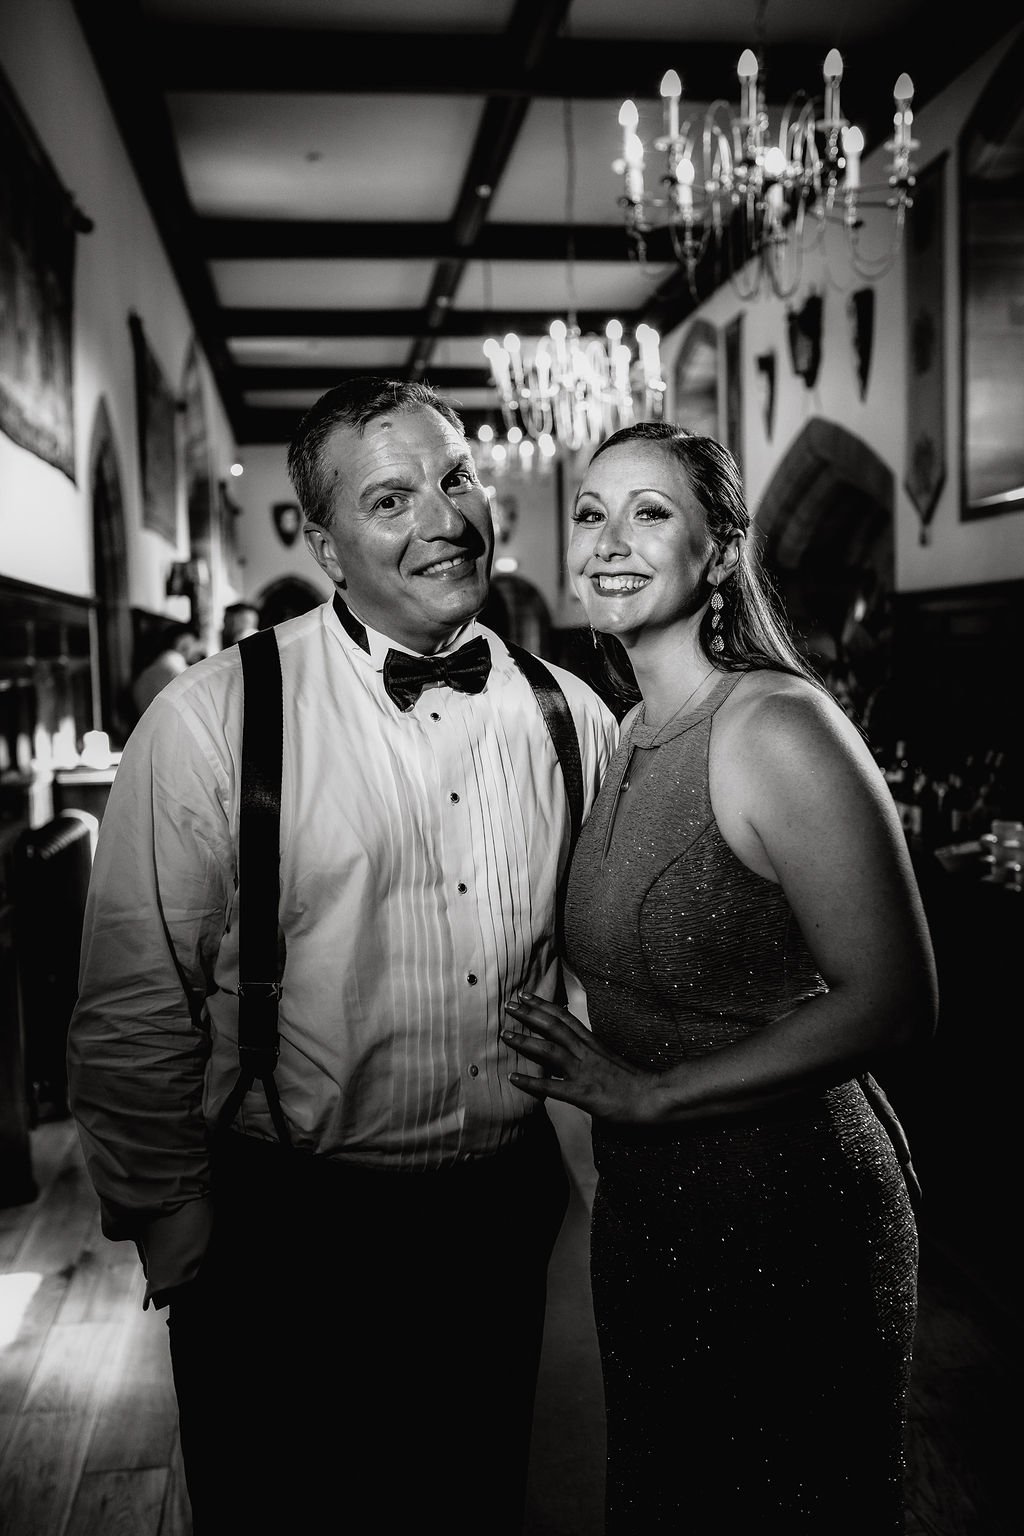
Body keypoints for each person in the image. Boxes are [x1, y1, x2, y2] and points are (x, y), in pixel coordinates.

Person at [67, 378, 618, 1535]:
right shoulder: (213, 719)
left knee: (466, 1497)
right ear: (323, 541)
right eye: (390, 497)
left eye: (457, 477)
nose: (444, 516)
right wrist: (174, 1227)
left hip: (499, 1220)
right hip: (285, 1228)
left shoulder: (575, 717)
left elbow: (611, 959)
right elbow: (132, 998)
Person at [502, 423, 938, 1535]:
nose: (609, 538)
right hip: (654, 1208)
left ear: (717, 553)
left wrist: (647, 1096)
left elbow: (894, 999)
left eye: (650, 513)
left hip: (790, 1206)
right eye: (592, 512)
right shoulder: (622, 734)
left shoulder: (774, 727)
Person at [129, 621, 204, 715]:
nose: (200, 648)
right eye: (196, 641)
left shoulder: (144, 676)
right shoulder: (179, 670)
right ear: (184, 642)